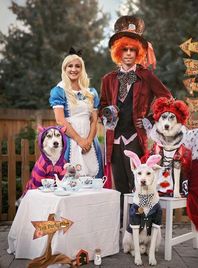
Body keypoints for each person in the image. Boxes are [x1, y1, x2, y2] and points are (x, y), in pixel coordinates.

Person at [99, 16, 172, 210]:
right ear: (118, 51)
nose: (128, 53)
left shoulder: (146, 75)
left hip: (134, 137)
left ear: (138, 52)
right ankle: (123, 227)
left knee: (137, 184)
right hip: (113, 139)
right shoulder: (108, 79)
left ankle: (138, 225)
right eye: (125, 49)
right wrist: (106, 113)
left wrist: (149, 119)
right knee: (120, 186)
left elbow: (167, 99)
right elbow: (102, 105)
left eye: (132, 50)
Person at [49, 48, 103, 178]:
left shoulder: (91, 92)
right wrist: (80, 140)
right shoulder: (59, 91)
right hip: (70, 140)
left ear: (82, 69)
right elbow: (60, 120)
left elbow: (94, 120)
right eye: (70, 66)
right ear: (64, 69)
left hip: (90, 141)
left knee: (93, 178)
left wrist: (89, 141)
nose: (74, 69)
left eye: (77, 66)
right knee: (70, 178)